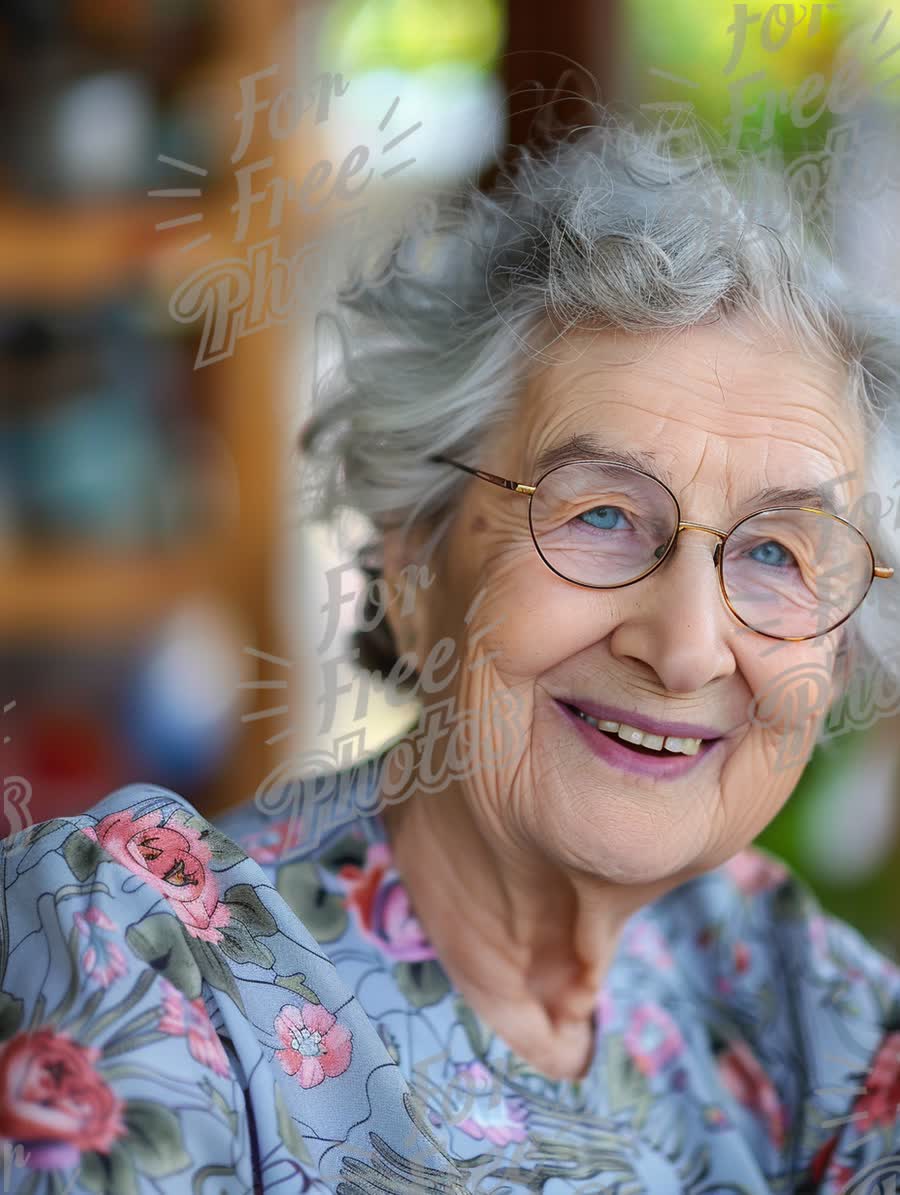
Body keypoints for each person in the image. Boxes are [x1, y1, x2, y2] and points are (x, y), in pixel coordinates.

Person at [2, 113, 900, 1194]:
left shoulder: (809, 1012)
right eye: (602, 514)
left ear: (840, 655)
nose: (684, 645)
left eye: (775, 551)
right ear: (416, 562)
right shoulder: (140, 965)